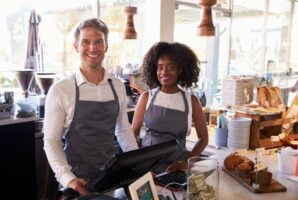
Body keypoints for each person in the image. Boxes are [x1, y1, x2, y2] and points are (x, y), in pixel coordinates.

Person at [43, 18, 139, 195]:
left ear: (106, 46)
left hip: (109, 180)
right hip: (76, 183)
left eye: (98, 42)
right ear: (76, 46)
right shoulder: (61, 90)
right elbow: (51, 140)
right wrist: (68, 178)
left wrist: (137, 164)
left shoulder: (117, 86)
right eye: (85, 42)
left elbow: (123, 130)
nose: (93, 48)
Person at [131, 41, 209, 173]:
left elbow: (204, 139)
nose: (164, 72)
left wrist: (186, 162)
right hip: (146, 168)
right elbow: (133, 133)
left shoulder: (192, 101)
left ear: (180, 69)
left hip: (175, 169)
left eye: (170, 67)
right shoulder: (146, 97)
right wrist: (136, 163)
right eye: (160, 67)